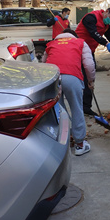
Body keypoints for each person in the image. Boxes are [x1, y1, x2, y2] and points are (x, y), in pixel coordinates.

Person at [42, 28, 95, 156]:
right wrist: (91, 80)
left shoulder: (51, 44)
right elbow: (89, 64)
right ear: (74, 36)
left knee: (57, 111)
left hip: (53, 79)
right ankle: (80, 145)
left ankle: (59, 142)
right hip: (72, 77)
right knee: (76, 108)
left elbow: (44, 63)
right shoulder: (80, 42)